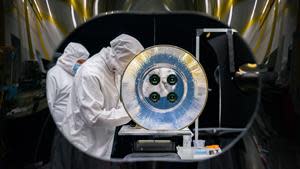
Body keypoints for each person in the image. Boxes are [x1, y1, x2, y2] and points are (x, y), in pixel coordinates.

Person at [61, 34, 144, 159]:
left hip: (100, 142)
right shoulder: (90, 73)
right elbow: (94, 117)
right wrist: (133, 112)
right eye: (131, 64)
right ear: (122, 58)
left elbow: (117, 100)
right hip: (83, 145)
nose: (132, 69)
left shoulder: (115, 68)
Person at [46, 42, 90, 130]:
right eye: (80, 62)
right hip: (61, 128)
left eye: (84, 63)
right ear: (70, 58)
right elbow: (50, 105)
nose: (81, 66)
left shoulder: (78, 76)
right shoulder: (54, 74)